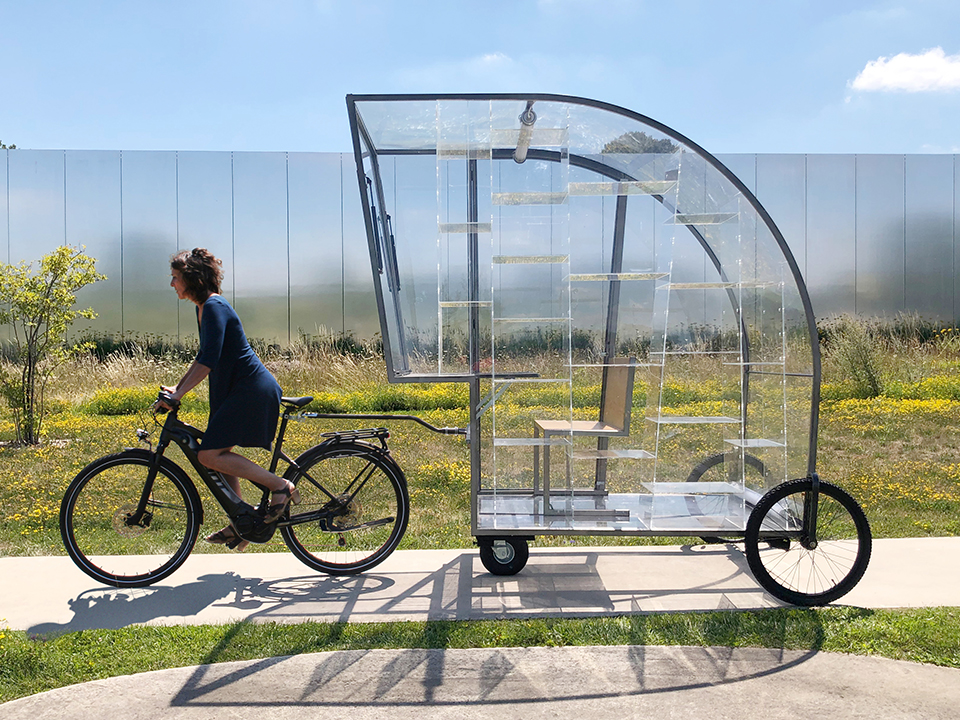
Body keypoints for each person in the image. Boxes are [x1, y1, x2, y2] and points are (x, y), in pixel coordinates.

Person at [158, 248, 299, 551]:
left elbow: (208, 360)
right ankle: (243, 521)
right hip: (237, 390)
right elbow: (203, 358)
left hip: (250, 390)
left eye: (175, 278)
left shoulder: (213, 306)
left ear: (191, 279)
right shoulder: (204, 308)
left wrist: (180, 393)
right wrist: (177, 388)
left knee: (208, 456)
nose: (172, 284)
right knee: (218, 457)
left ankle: (280, 486)